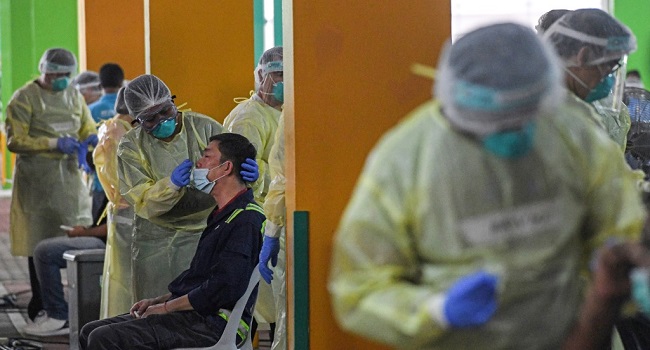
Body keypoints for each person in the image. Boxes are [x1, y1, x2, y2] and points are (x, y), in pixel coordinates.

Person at [328, 23, 649, 349]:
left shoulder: (575, 138)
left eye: (524, 121)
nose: (509, 137)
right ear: (457, 107)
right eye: (490, 127)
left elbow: (618, 227)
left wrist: (628, 276)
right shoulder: (406, 160)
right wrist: (436, 310)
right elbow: (360, 286)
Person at [80, 133, 264, 350]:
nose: (199, 162)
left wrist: (168, 308)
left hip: (214, 322)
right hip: (198, 314)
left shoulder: (245, 220)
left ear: (225, 168)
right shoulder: (221, 214)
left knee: (104, 338)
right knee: (89, 331)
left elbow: (223, 287)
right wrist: (159, 301)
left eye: (206, 156)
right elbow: (200, 279)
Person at [117, 74, 259, 301]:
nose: (162, 121)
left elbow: (233, 172)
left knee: (203, 303)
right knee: (154, 307)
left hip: (208, 229)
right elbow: (142, 199)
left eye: (165, 111)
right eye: (150, 119)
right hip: (156, 242)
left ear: (173, 102)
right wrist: (170, 186)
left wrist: (250, 176)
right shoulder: (131, 146)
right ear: (137, 121)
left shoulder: (205, 129)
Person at [5, 48, 97, 321]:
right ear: (46, 70)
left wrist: (90, 139)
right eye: (58, 74)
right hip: (38, 182)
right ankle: (41, 300)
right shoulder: (24, 98)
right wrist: (53, 143)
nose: (62, 79)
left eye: (67, 75)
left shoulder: (73, 94)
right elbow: (14, 141)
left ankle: (68, 299)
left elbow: (86, 125)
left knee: (71, 235)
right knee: (39, 242)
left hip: (68, 180)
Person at [223, 46, 283, 342]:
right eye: (277, 76)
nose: (283, 82)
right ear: (261, 76)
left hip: (276, 212)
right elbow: (242, 173)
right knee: (263, 306)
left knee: (274, 301)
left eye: (288, 75)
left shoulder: (283, 113)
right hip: (258, 216)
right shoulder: (249, 117)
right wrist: (263, 176)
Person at [543, 8, 637, 151]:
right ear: (584, 56)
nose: (608, 78)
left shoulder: (574, 107)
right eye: (608, 68)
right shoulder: (548, 114)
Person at [22, 197, 108, 336]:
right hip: (100, 239)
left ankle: (58, 315)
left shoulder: (125, 185)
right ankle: (56, 312)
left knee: (44, 252)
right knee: (43, 250)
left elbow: (115, 225)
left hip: (107, 243)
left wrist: (83, 233)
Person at [93, 86, 136, 318]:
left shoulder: (110, 127)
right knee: (130, 285)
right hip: (130, 215)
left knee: (119, 281)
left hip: (119, 214)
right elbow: (131, 182)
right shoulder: (124, 134)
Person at [83, 63, 126, 224]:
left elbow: (85, 144)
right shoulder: (131, 110)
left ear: (99, 85)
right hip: (126, 184)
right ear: (122, 83)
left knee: (99, 228)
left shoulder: (91, 110)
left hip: (101, 182)